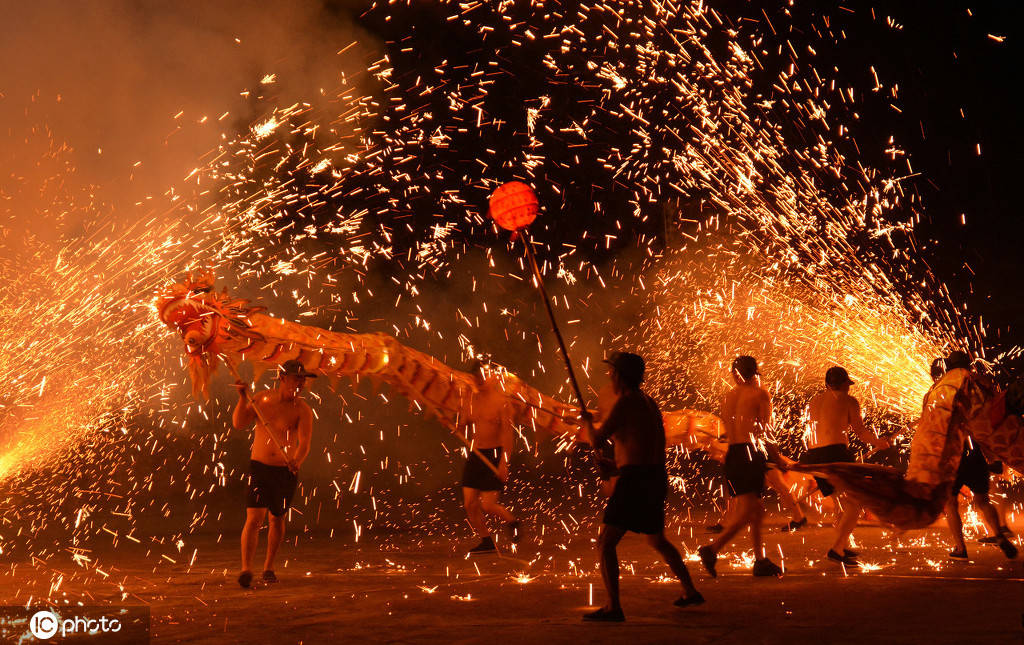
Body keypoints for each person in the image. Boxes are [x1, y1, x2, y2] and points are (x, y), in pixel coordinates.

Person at [579, 351, 702, 622]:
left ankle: (613, 607)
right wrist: (615, 466)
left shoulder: (625, 403)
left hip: (636, 481)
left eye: (612, 372)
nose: (609, 377)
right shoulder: (648, 402)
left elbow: (597, 440)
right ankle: (690, 591)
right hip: (654, 476)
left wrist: (588, 423)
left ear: (620, 376)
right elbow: (641, 448)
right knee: (656, 539)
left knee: (606, 542)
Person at [698, 356, 783, 578]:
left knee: (756, 510)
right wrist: (778, 458)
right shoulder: (760, 393)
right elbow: (765, 431)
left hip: (733, 454)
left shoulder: (729, 396)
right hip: (750, 453)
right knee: (751, 511)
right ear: (754, 373)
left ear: (736, 374)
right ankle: (713, 549)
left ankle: (760, 560)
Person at [233, 359, 315, 588]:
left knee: (277, 518)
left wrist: (297, 460)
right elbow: (239, 423)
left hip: (284, 471)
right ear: (282, 378)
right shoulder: (261, 399)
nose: (299, 383)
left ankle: (268, 567)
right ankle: (246, 568)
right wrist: (242, 397)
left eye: (302, 379)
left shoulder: (303, 410)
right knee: (254, 519)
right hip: (260, 468)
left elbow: (304, 443)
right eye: (295, 378)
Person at [801, 366, 890, 568]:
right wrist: (879, 442)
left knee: (841, 504)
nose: (849, 389)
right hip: (836, 454)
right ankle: (837, 549)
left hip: (814, 455)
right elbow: (860, 432)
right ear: (843, 384)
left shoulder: (814, 401)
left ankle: (841, 544)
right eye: (847, 385)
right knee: (855, 504)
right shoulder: (849, 401)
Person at [931, 353, 1018, 560]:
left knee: (950, 502)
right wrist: (995, 457)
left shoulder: (942, 389)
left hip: (953, 454)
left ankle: (960, 549)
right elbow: (989, 421)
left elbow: (935, 424)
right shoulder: (980, 385)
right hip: (976, 451)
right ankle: (998, 534)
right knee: (983, 500)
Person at [461, 361, 519, 555]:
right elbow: (464, 421)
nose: (477, 381)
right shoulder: (473, 398)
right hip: (476, 454)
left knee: (488, 505)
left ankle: (513, 522)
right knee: (469, 503)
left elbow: (507, 435)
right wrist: (454, 419)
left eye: (480, 377)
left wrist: (504, 462)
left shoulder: (502, 402)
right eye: (475, 378)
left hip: (494, 455)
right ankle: (486, 541)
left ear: (490, 377)